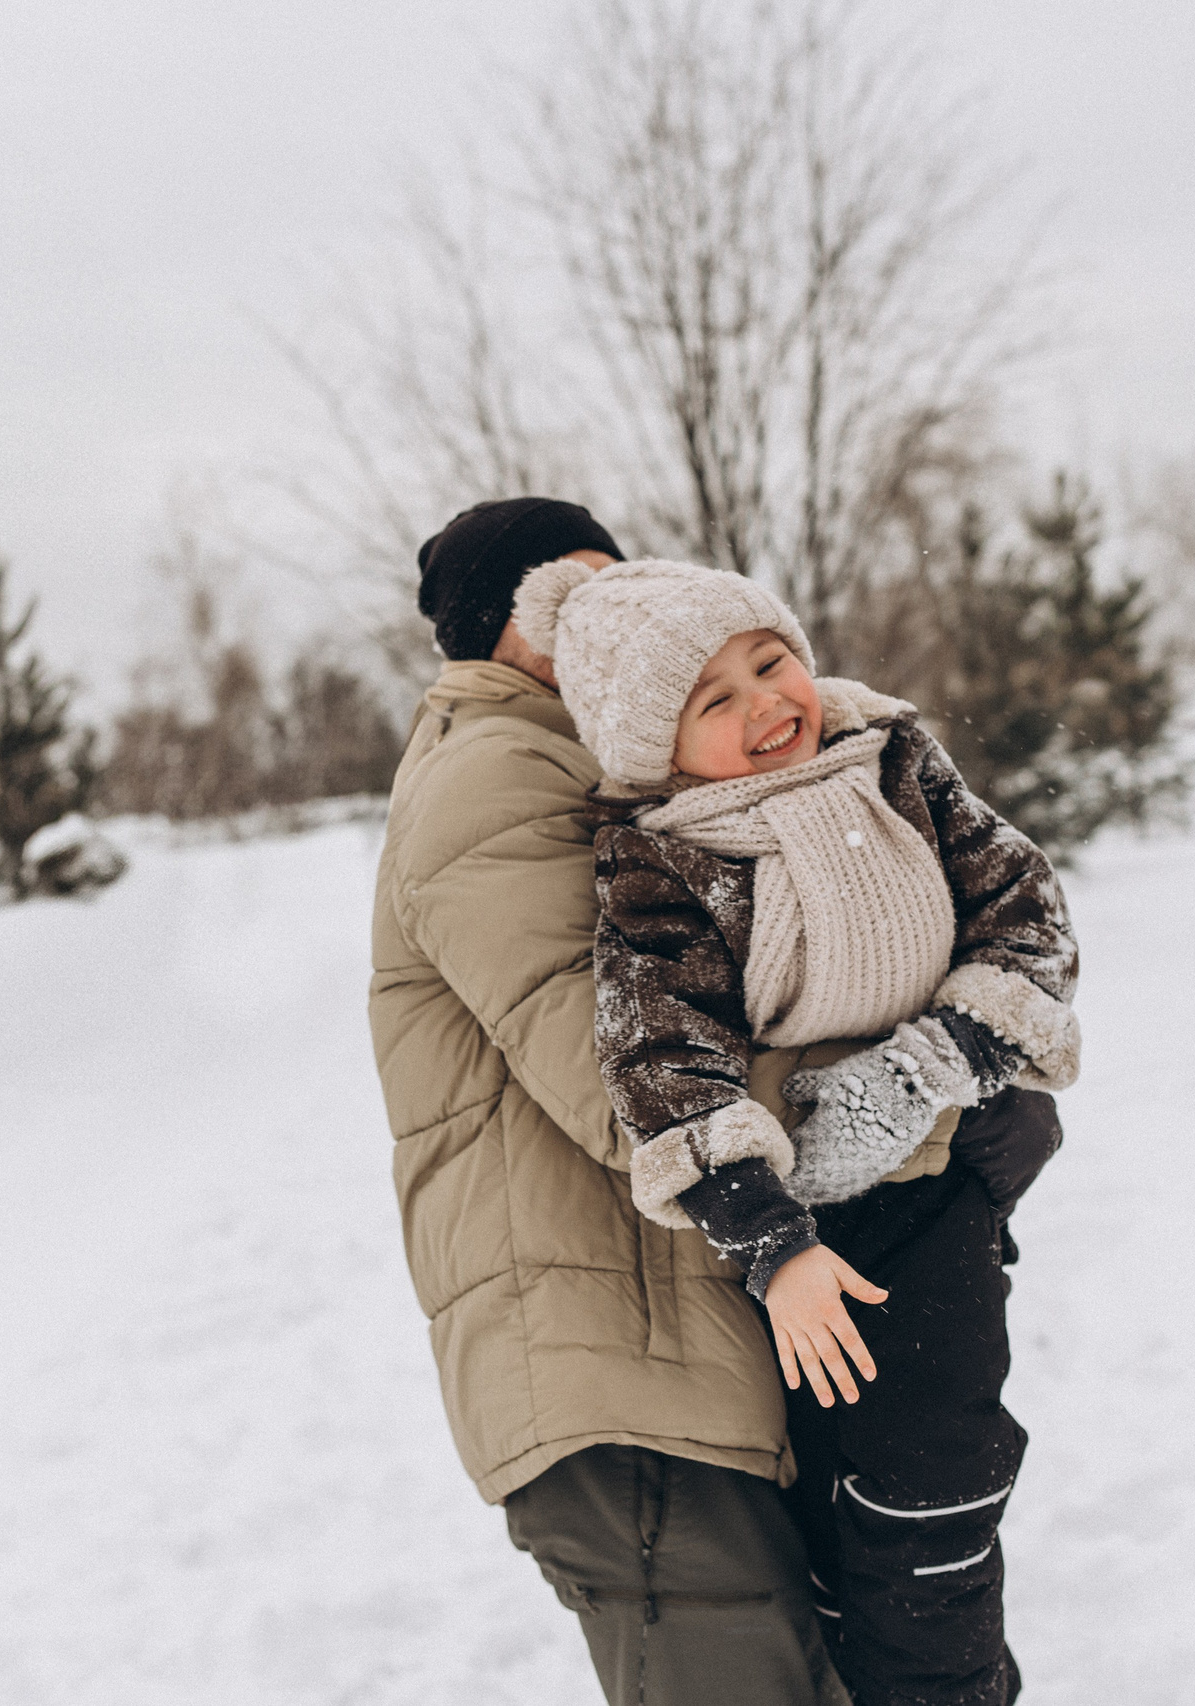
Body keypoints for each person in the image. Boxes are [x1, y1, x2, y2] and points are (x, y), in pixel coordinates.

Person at [508, 555, 1078, 1706]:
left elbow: (1026, 913)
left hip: (933, 1182)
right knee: (840, 1500)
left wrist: (936, 1061)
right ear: (656, 748)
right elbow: (663, 1060)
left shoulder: (896, 761)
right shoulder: (662, 862)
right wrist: (774, 1242)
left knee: (941, 1480)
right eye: (713, 699)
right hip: (798, 1238)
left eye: (770, 661)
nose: (767, 702)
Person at [370, 498, 847, 1706]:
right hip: (618, 1378)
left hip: (665, 1353)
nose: (614, 615)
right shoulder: (494, 776)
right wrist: (919, 1094)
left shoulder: (587, 758)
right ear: (501, 632)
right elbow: (623, 1073)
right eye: (570, 593)